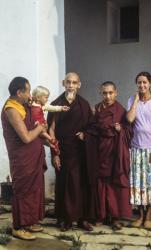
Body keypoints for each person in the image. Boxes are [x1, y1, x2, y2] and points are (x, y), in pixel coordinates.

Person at [47, 72, 97, 231]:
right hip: (63, 151)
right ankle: (65, 219)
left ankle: (82, 219)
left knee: (82, 184)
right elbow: (51, 130)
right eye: (68, 82)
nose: (71, 85)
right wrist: (55, 153)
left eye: (74, 82)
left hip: (81, 152)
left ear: (79, 85)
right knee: (64, 185)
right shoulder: (56, 104)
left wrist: (85, 135)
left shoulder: (84, 104)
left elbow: (91, 127)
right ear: (63, 83)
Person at [1, 77, 47, 240]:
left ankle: (30, 222)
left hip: (32, 156)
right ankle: (18, 227)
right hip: (22, 158)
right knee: (23, 191)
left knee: (34, 190)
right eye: (27, 91)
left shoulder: (21, 105)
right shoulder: (11, 109)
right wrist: (40, 127)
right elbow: (26, 137)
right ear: (19, 93)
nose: (30, 94)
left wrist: (32, 106)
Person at [126, 72, 151, 229]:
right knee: (137, 183)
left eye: (144, 82)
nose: (142, 85)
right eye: (139, 83)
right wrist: (135, 101)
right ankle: (140, 216)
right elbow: (129, 119)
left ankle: (148, 216)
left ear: (150, 84)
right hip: (135, 148)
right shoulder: (131, 100)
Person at [91, 81, 132, 230]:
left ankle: (115, 217)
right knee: (100, 184)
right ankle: (101, 215)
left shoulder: (120, 111)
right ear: (101, 93)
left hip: (114, 152)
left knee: (114, 184)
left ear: (116, 93)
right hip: (100, 151)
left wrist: (121, 129)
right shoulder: (96, 109)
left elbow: (129, 131)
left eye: (110, 93)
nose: (107, 96)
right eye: (104, 93)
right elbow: (92, 127)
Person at [31, 85, 69, 155]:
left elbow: (52, 108)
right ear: (38, 97)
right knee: (42, 137)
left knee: (41, 133)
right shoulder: (31, 105)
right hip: (36, 126)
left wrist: (61, 108)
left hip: (42, 125)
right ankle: (53, 144)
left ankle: (52, 141)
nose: (47, 99)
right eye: (46, 97)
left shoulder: (43, 106)